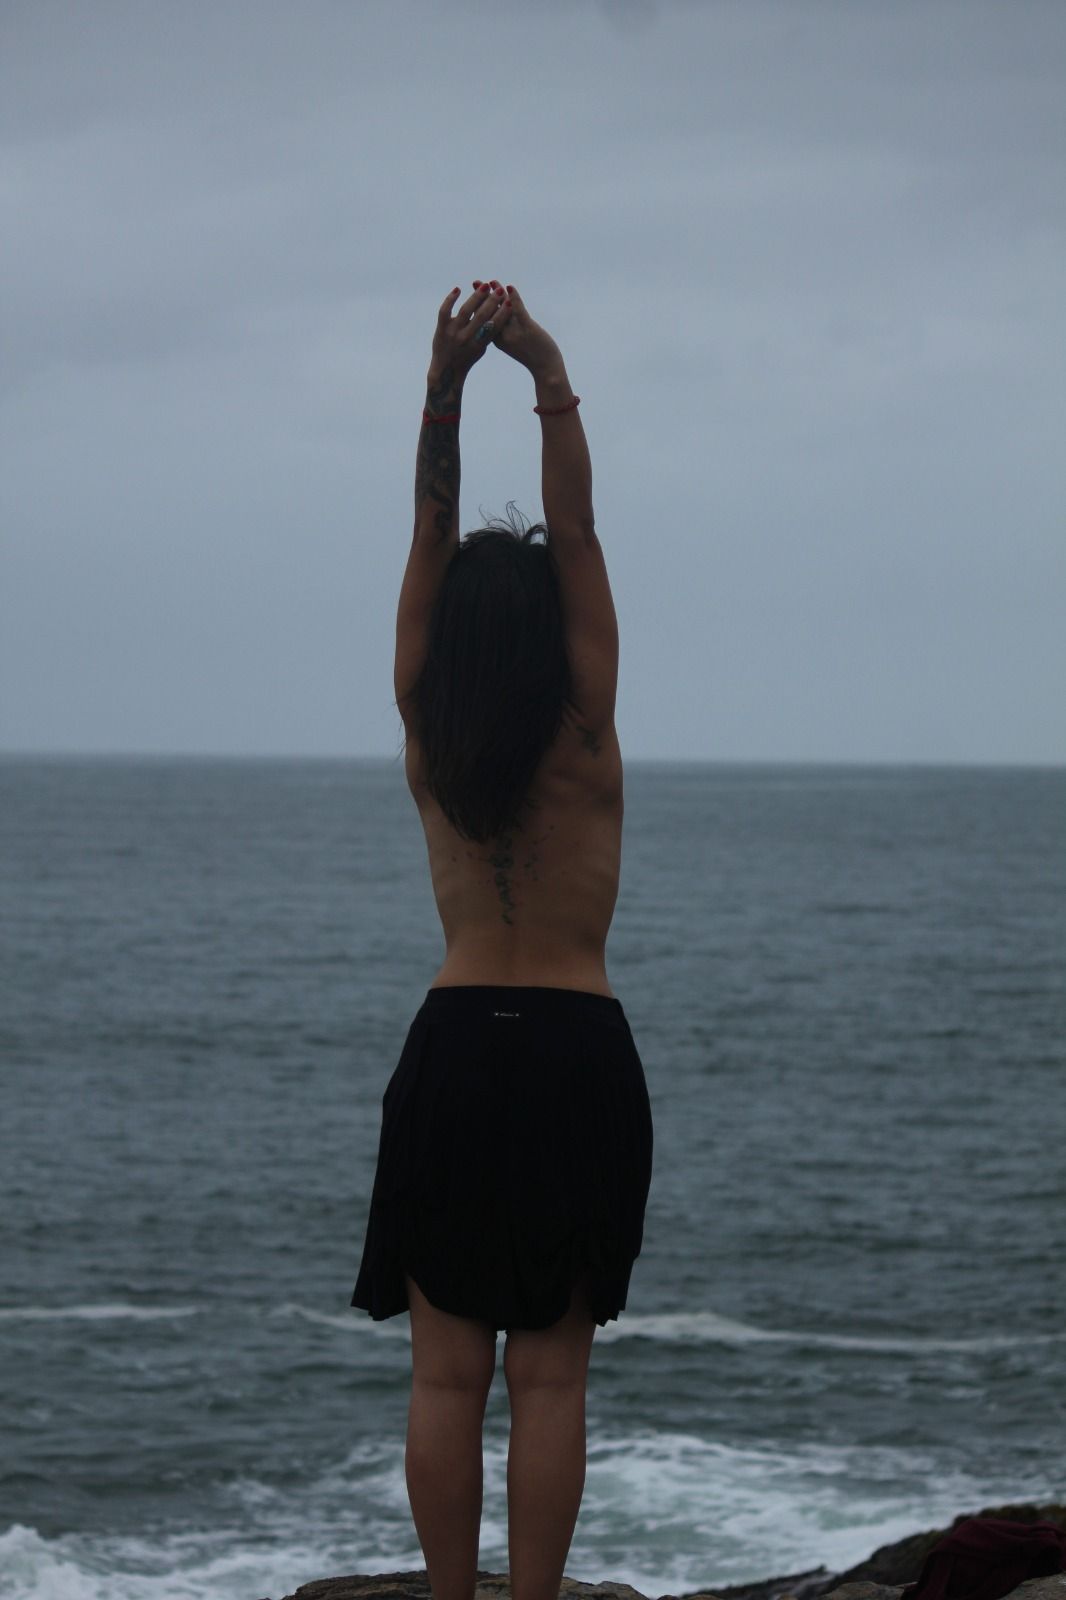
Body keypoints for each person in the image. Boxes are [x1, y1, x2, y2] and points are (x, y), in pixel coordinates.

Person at [350, 281, 654, 1600]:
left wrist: (441, 377)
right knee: (548, 1377)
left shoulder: (424, 723)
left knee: (442, 1372)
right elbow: (575, 528)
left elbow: (428, 527)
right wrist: (544, 365)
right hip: (578, 1045)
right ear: (548, 635)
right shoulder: (585, 729)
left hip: (458, 1042)